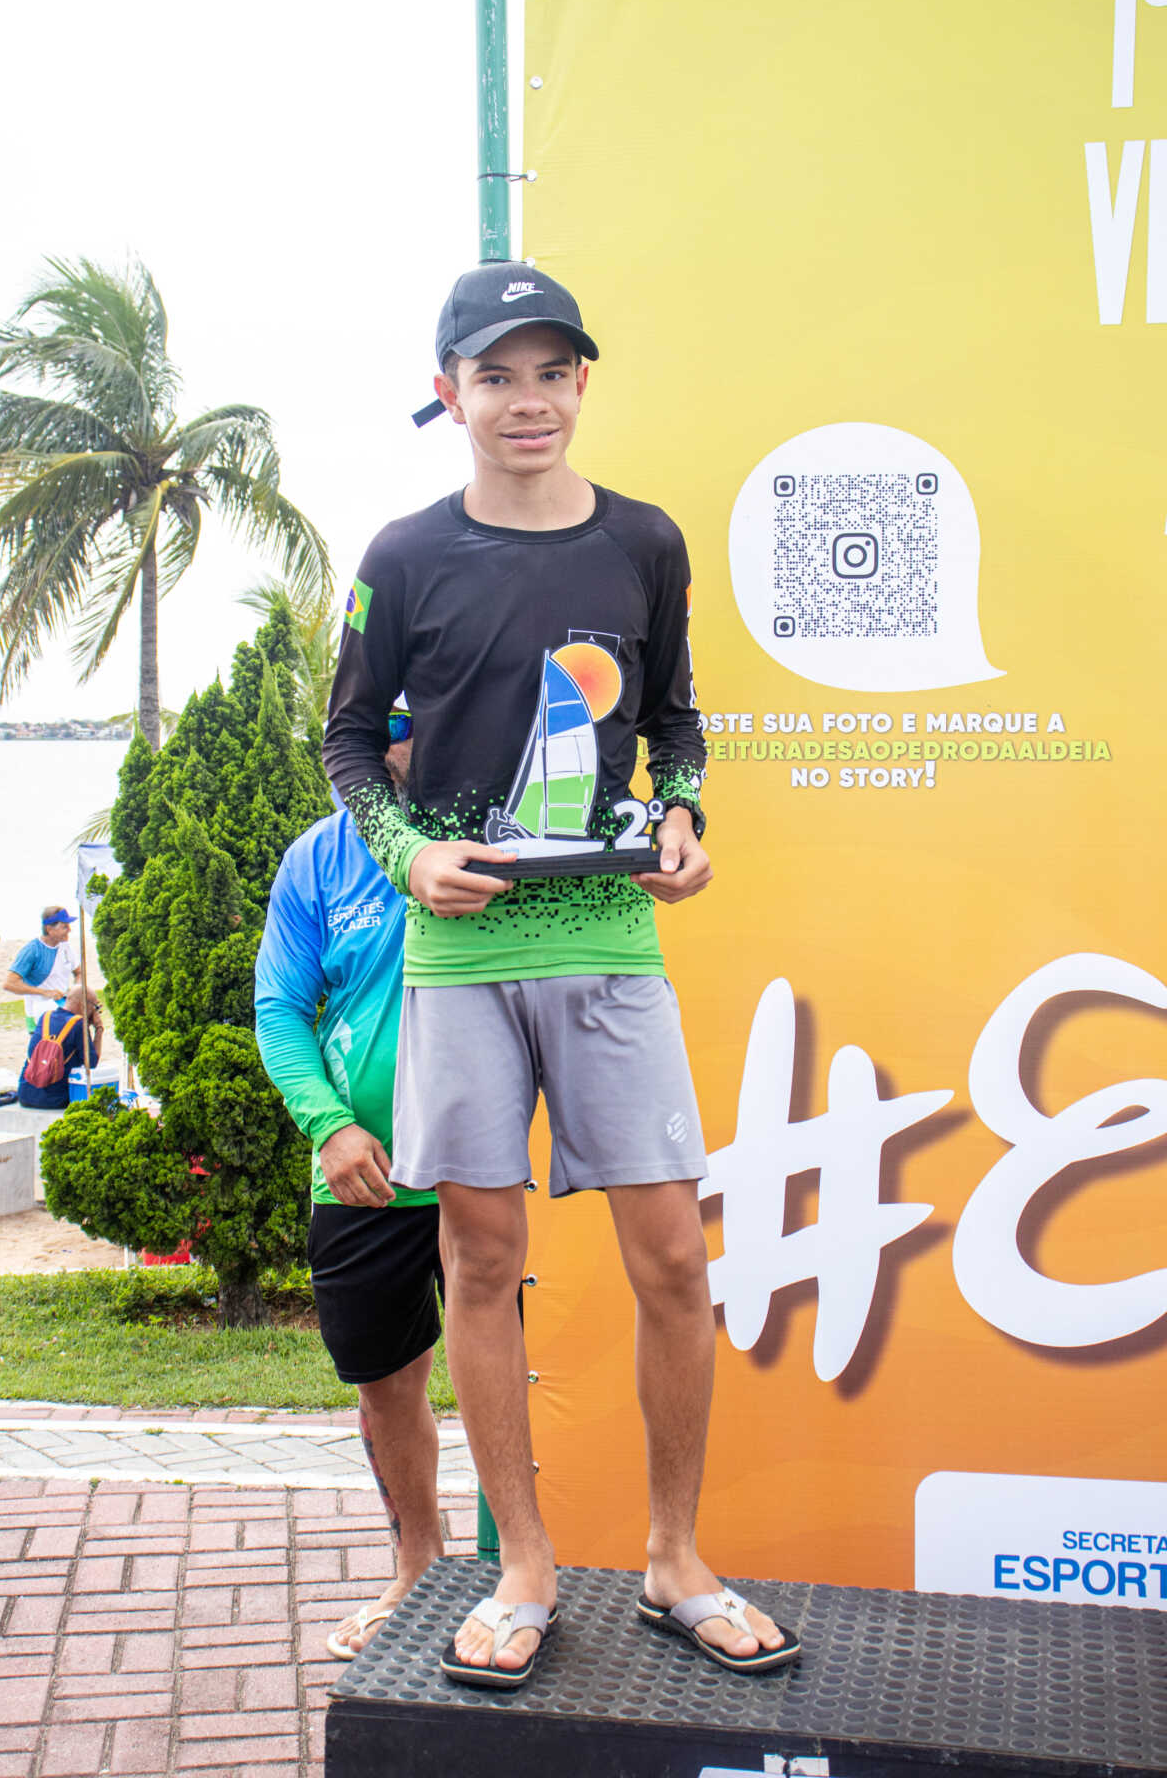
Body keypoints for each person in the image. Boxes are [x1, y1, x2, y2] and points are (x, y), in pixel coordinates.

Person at [323, 263, 800, 1686]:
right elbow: (349, 743)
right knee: (481, 1260)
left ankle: (675, 1561)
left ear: (582, 382)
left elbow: (677, 723)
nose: (526, 400)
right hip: (459, 959)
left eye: (551, 372)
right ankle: (522, 1566)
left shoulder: (645, 541)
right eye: (496, 375)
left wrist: (685, 814)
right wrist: (410, 853)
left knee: (674, 1260)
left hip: (608, 947)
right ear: (449, 391)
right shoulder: (404, 554)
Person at [255, 709, 446, 1661]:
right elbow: (279, 1008)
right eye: (385, 724)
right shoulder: (318, 860)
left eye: (418, 718)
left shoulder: (496, 828)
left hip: (497, 1167)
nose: (400, 742)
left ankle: (528, 1569)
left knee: (537, 1376)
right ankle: (418, 1569)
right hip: (366, 1179)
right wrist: (329, 1126)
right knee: (386, 1387)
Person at [17, 984, 102, 1110]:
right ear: (84, 1005)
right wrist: (99, 1029)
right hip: (55, 1099)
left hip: (26, 1094)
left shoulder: (45, 1017)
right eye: (95, 1007)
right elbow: (92, 1064)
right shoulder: (79, 1025)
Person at [4, 906, 80, 1032]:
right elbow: (9, 984)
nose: (69, 930)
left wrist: (75, 991)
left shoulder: (66, 947)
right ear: (49, 929)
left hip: (63, 1008)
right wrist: (45, 992)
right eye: (65, 927)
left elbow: (79, 973)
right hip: (38, 1013)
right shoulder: (32, 950)